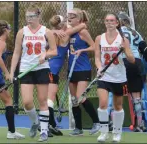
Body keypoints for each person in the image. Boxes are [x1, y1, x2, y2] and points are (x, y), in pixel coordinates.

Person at [9, 4, 57, 142]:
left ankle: (44, 132)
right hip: (26, 69)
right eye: (27, 16)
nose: (29, 19)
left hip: (42, 69)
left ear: (38, 16)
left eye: (32, 16)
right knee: (27, 102)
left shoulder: (46, 32)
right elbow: (17, 52)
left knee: (43, 101)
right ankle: (35, 122)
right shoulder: (21, 32)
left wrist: (45, 55)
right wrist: (12, 71)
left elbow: (54, 51)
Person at [44, 15, 87, 137]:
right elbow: (83, 25)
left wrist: (52, 30)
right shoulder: (66, 33)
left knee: (46, 98)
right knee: (49, 98)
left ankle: (49, 125)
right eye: (65, 22)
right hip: (51, 70)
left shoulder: (50, 34)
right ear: (62, 24)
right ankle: (49, 125)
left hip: (44, 68)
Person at [94, 13, 135, 142]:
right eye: (107, 20)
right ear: (104, 22)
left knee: (117, 106)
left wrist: (125, 50)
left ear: (117, 23)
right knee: (103, 103)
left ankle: (117, 133)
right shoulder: (99, 38)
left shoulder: (123, 39)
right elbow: (96, 57)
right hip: (104, 76)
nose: (109, 22)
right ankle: (104, 132)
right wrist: (99, 67)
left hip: (119, 77)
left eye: (112, 20)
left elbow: (132, 60)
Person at [67, 8, 100, 136]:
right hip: (72, 68)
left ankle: (97, 122)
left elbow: (94, 46)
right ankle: (78, 128)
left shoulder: (83, 32)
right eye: (69, 15)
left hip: (83, 68)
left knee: (81, 97)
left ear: (79, 19)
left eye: (73, 16)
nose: (70, 18)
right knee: (74, 99)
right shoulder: (69, 32)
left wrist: (83, 50)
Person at [118, 11, 147, 132]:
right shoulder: (135, 32)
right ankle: (140, 124)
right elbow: (145, 48)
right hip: (135, 61)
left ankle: (112, 122)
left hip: (122, 61)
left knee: (114, 92)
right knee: (136, 95)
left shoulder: (116, 32)